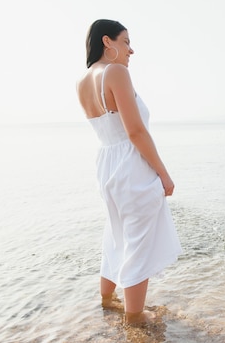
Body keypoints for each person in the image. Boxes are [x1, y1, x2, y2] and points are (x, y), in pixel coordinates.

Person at [76, 19, 182, 325]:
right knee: (139, 241)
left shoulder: (83, 81)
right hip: (131, 163)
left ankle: (108, 301)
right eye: (126, 42)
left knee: (116, 233)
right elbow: (135, 131)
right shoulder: (116, 72)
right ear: (107, 42)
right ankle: (134, 318)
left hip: (107, 163)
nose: (131, 50)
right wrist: (163, 173)